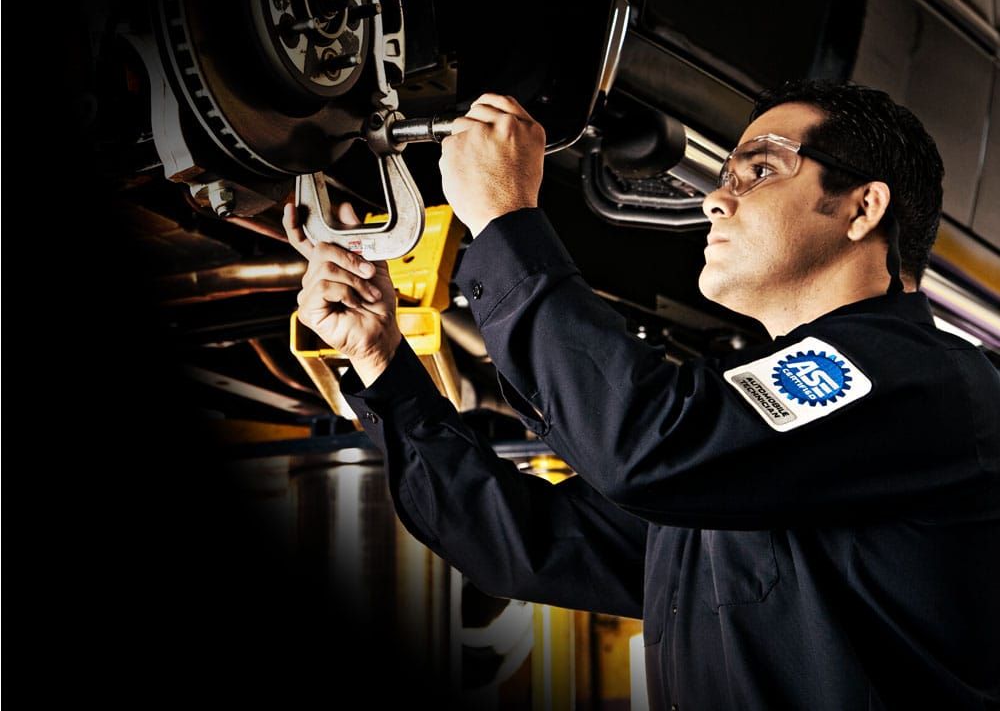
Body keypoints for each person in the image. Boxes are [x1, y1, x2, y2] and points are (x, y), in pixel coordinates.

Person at [283, 79, 1000, 709]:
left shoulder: (922, 379)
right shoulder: (742, 455)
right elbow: (522, 543)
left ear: (863, 207)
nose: (715, 199)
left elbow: (643, 444)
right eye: (725, 175)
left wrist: (505, 220)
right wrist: (381, 360)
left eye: (759, 170)